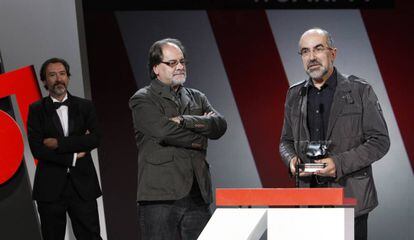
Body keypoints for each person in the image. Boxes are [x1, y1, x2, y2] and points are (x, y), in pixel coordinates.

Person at [279, 28, 390, 240]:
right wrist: (291, 160)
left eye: (318, 49)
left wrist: (338, 164)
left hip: (349, 197)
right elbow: (285, 141)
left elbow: (380, 141)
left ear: (333, 53)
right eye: (305, 51)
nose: (311, 57)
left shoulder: (360, 90)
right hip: (309, 199)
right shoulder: (294, 94)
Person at [129, 38, 227, 240]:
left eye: (182, 62)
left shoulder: (197, 97)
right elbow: (165, 132)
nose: (180, 67)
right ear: (156, 68)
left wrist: (184, 120)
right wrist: (200, 135)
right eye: (172, 63)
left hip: (197, 194)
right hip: (160, 197)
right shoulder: (143, 98)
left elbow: (219, 126)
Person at [27, 58, 102, 240]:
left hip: (83, 187)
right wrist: (73, 157)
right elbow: (38, 149)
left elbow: (95, 138)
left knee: (91, 237)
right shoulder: (36, 109)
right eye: (52, 75)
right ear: (44, 81)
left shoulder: (85, 106)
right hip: (50, 188)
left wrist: (60, 144)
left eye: (62, 74)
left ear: (68, 77)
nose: (58, 79)